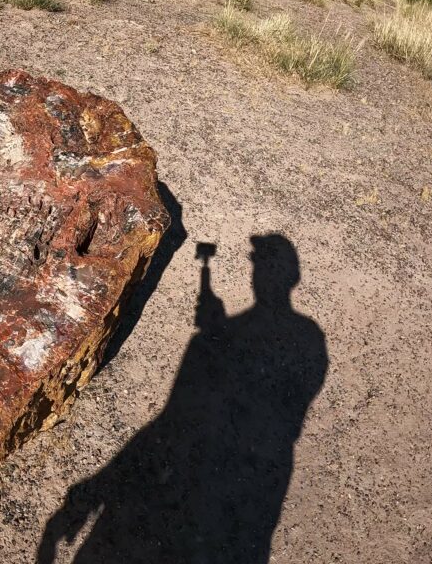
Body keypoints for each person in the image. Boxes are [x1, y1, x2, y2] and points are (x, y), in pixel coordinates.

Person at [37, 234, 328, 564]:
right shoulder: (309, 338)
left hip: (230, 476)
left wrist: (215, 336)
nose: (256, 274)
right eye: (256, 265)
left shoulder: (302, 338)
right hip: (255, 478)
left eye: (259, 265)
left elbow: (179, 410)